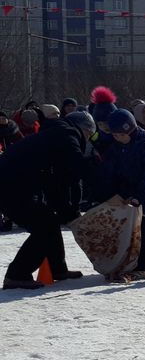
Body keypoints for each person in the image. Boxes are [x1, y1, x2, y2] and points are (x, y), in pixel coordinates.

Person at [0, 112, 96, 288]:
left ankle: (58, 268)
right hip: (10, 185)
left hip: (14, 183)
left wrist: (67, 212)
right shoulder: (67, 136)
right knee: (44, 227)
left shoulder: (56, 135)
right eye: (90, 134)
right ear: (83, 129)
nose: (89, 139)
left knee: (49, 221)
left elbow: (55, 182)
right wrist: (105, 185)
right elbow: (80, 168)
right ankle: (17, 274)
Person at [95, 109, 145, 280]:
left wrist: (139, 196)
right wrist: (115, 193)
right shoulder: (115, 148)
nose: (117, 138)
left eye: (121, 134)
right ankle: (129, 264)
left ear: (130, 130)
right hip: (126, 196)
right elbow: (110, 171)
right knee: (127, 232)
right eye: (115, 135)